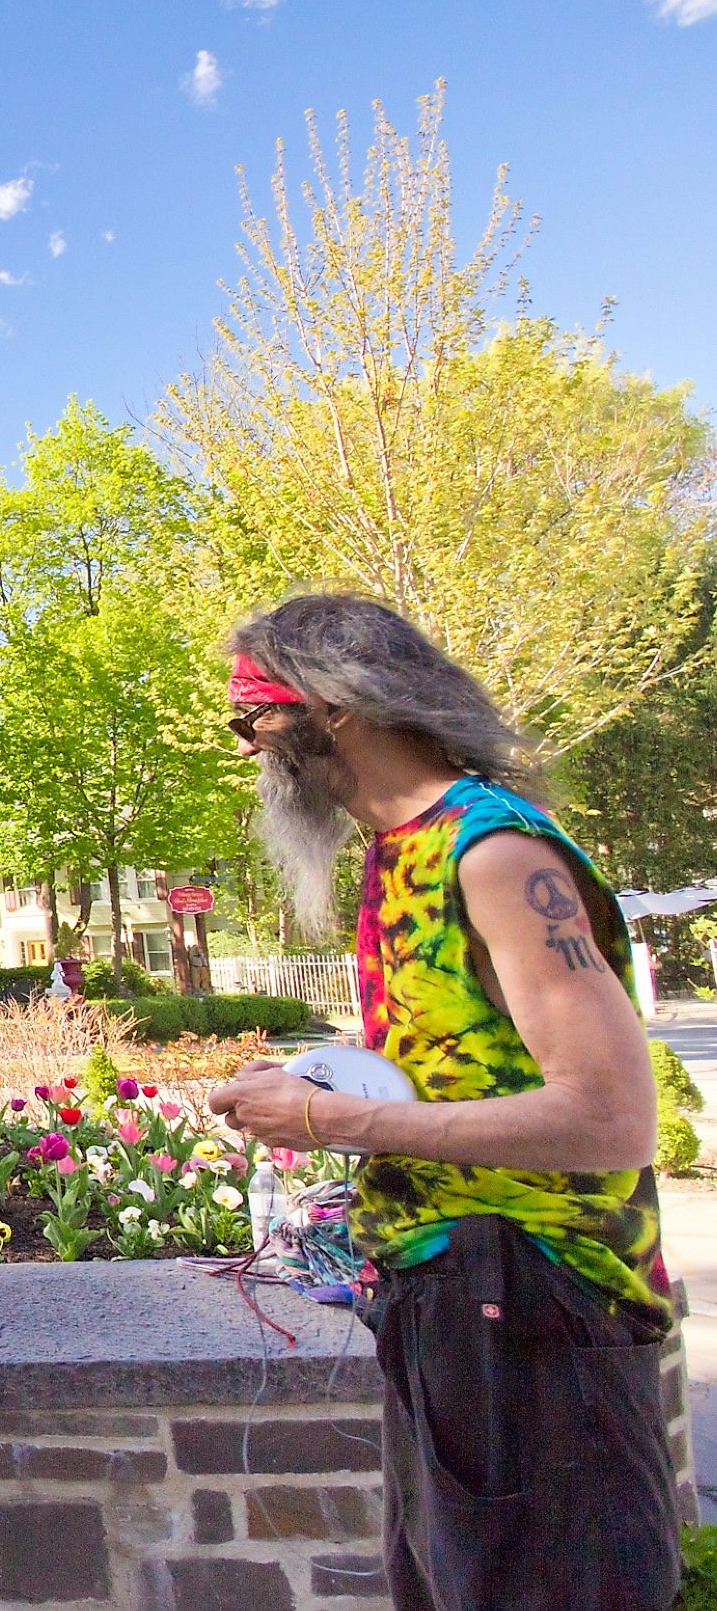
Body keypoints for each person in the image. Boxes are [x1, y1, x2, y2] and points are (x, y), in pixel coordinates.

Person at [204, 594, 675, 1611]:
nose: (246, 748)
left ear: (333, 707)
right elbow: (463, 1058)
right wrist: (316, 1079)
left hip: (539, 1304)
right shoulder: (400, 851)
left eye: (253, 717)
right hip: (452, 1301)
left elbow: (610, 1115)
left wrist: (331, 1118)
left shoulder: (494, 851)